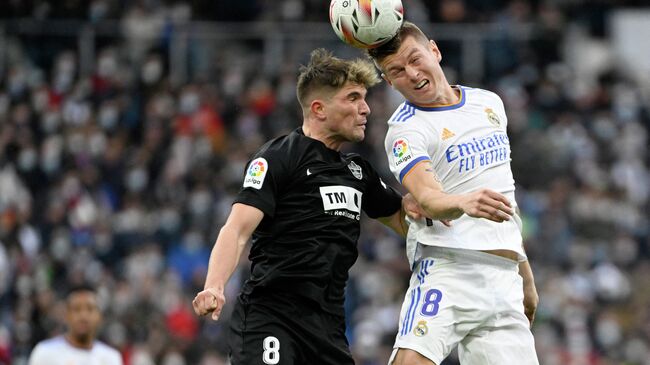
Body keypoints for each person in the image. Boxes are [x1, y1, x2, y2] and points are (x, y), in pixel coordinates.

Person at [192, 48, 421, 365]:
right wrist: (214, 287)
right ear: (319, 109)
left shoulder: (359, 171)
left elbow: (405, 221)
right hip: (272, 318)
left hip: (328, 328)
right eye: (353, 98)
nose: (365, 109)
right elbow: (237, 229)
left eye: (364, 98)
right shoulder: (280, 156)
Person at [366, 21, 540, 365]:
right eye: (396, 71)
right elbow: (427, 197)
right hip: (448, 269)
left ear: (434, 50)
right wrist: (463, 201)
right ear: (388, 82)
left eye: (415, 59)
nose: (412, 74)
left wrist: (525, 273)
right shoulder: (405, 131)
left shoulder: (488, 103)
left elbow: (506, 196)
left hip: (504, 280)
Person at [28, 284, 123, 365]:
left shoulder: (111, 358)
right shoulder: (45, 353)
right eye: (76, 309)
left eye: (90, 309)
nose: (83, 316)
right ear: (66, 315)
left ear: (99, 316)